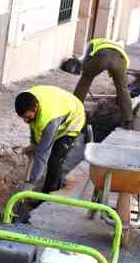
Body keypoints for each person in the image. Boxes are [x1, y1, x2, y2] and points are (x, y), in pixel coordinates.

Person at [15, 86, 88, 218]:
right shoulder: (29, 98)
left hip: (73, 120)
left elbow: (43, 154)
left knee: (55, 160)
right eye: (22, 118)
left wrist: (30, 183)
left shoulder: (49, 119)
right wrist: (34, 143)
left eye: (27, 117)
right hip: (60, 106)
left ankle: (47, 199)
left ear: (36, 107)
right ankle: (43, 195)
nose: (25, 120)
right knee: (44, 149)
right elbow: (34, 125)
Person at [73, 38, 133, 129]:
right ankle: (129, 120)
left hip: (102, 56)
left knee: (85, 80)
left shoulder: (94, 42)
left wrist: (86, 72)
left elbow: (86, 60)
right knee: (123, 89)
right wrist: (114, 75)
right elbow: (119, 68)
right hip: (120, 60)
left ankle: (75, 110)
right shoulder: (120, 49)